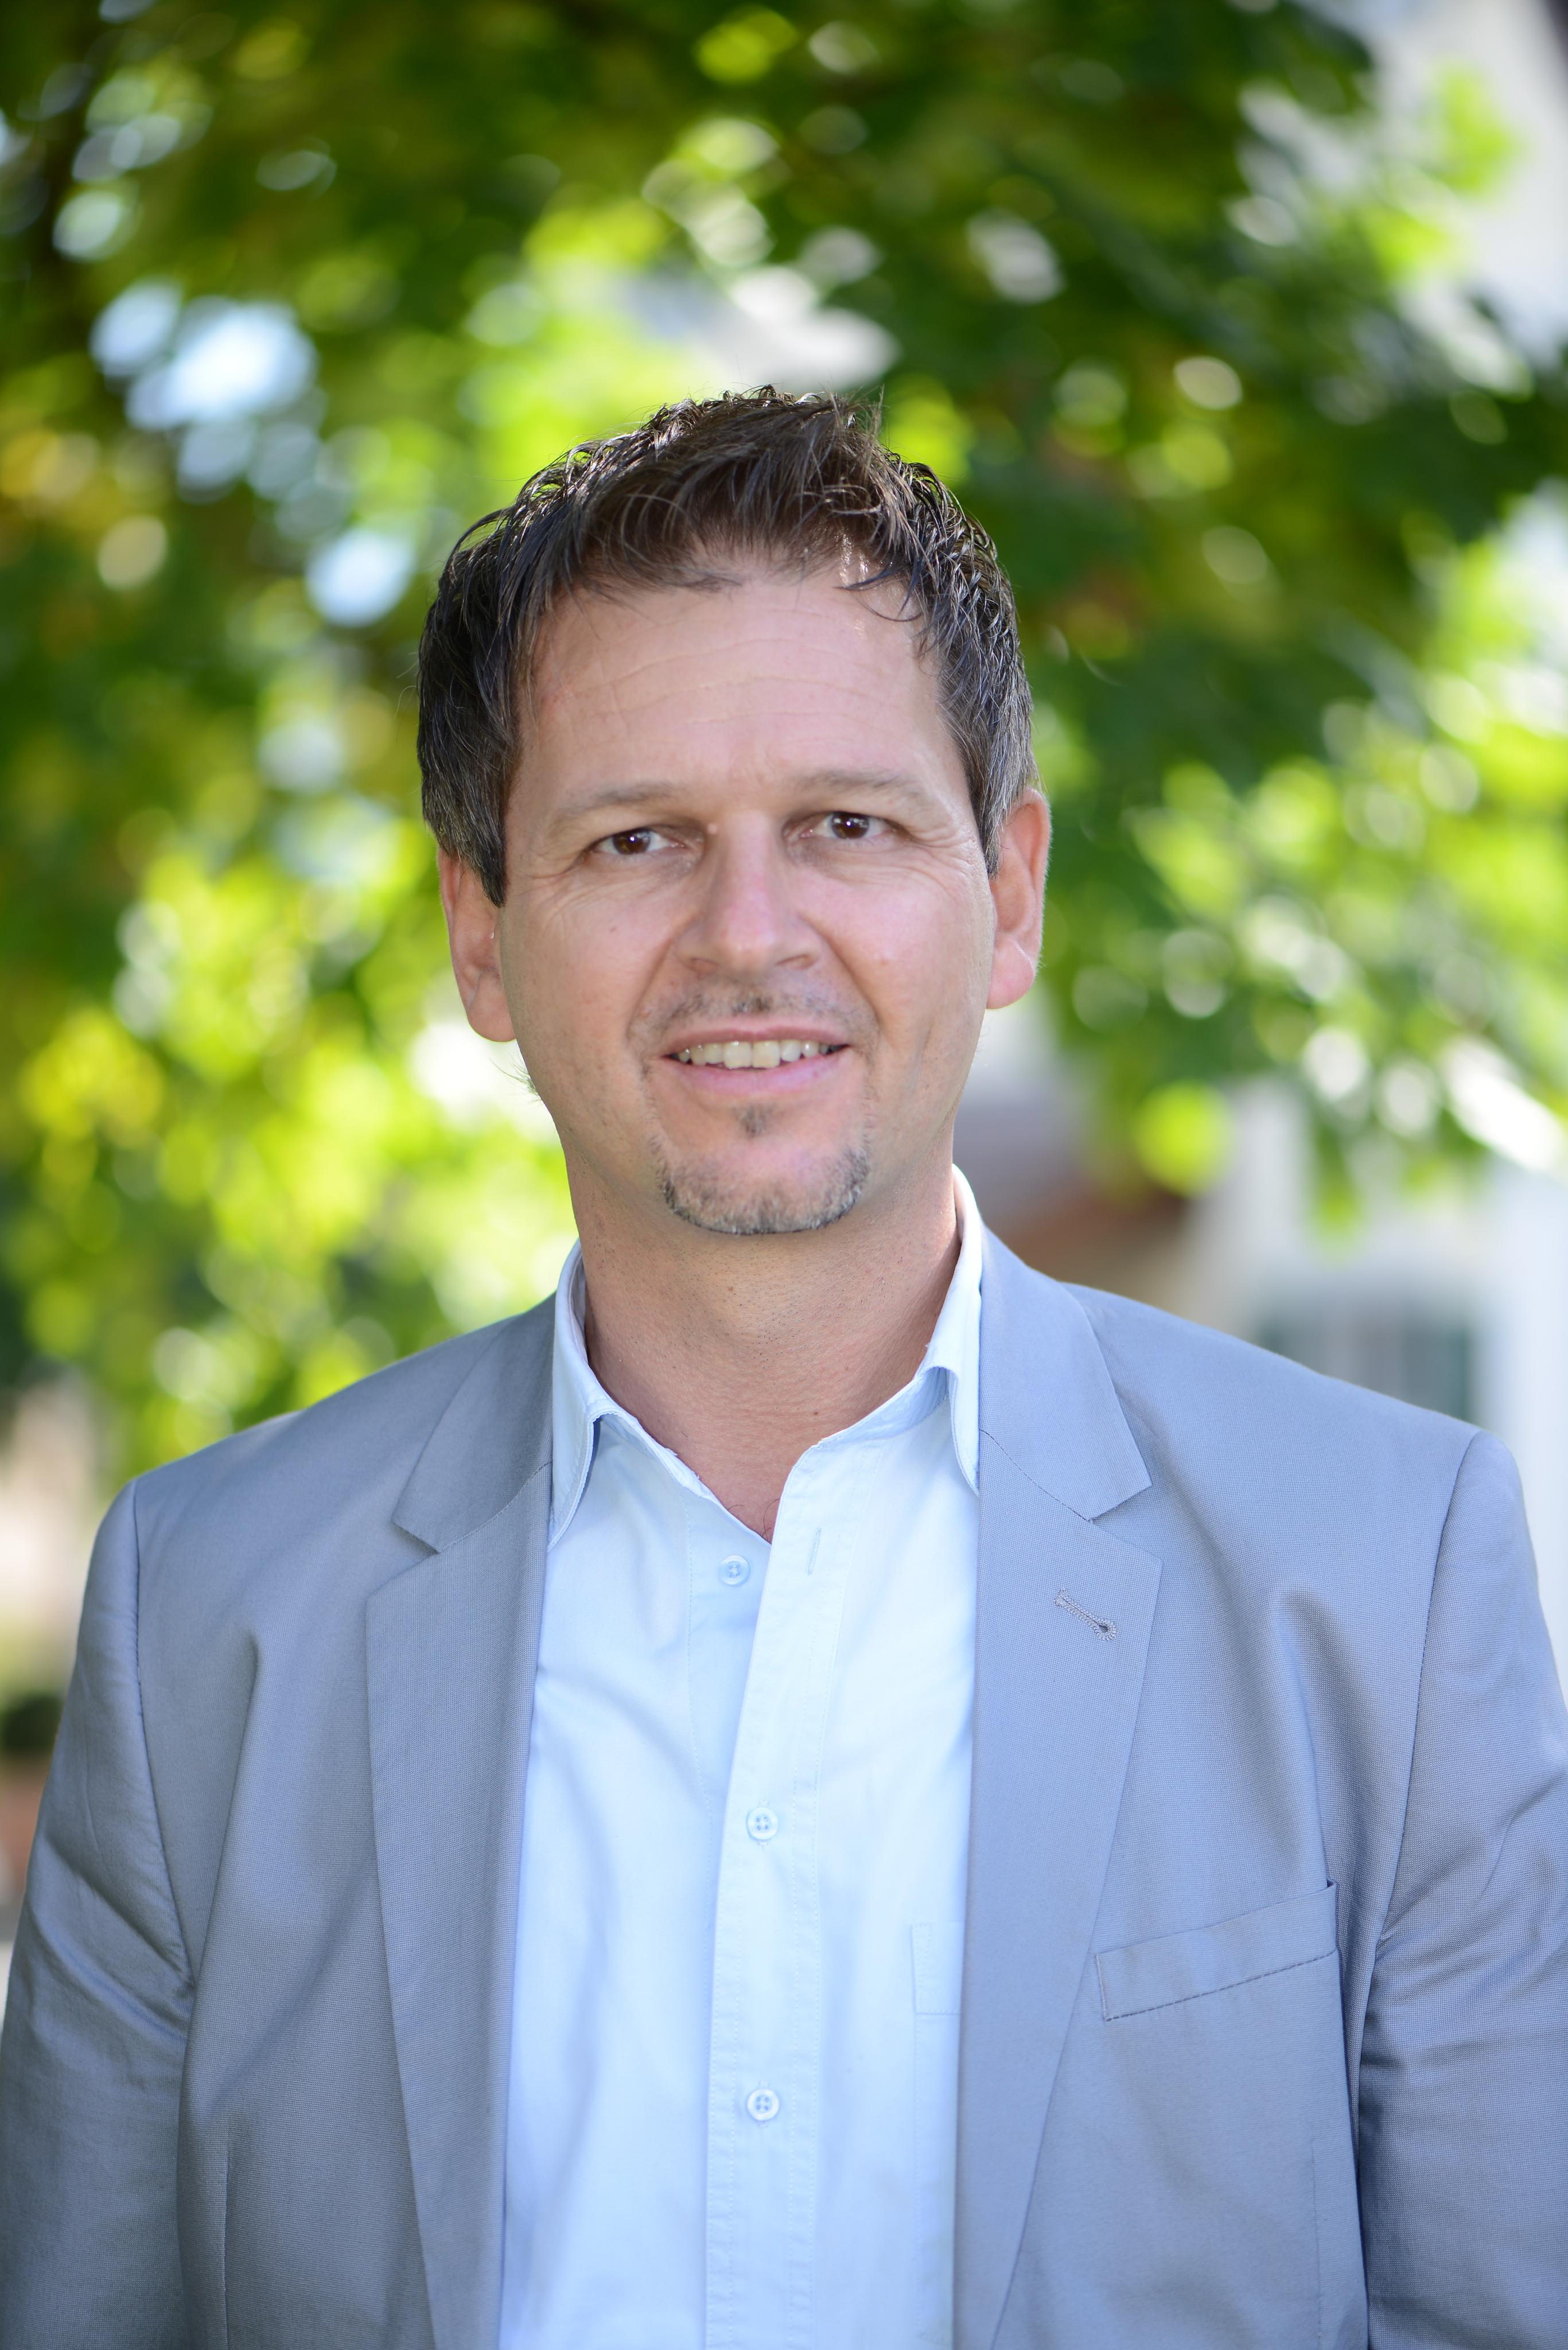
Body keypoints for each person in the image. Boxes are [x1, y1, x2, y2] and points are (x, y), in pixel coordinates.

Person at [1, 390, 1565, 2350]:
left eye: (848, 825)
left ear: (1008, 891)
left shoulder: (1385, 1572)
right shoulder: (205, 1613)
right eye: (636, 838)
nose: (749, 938)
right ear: (482, 932)